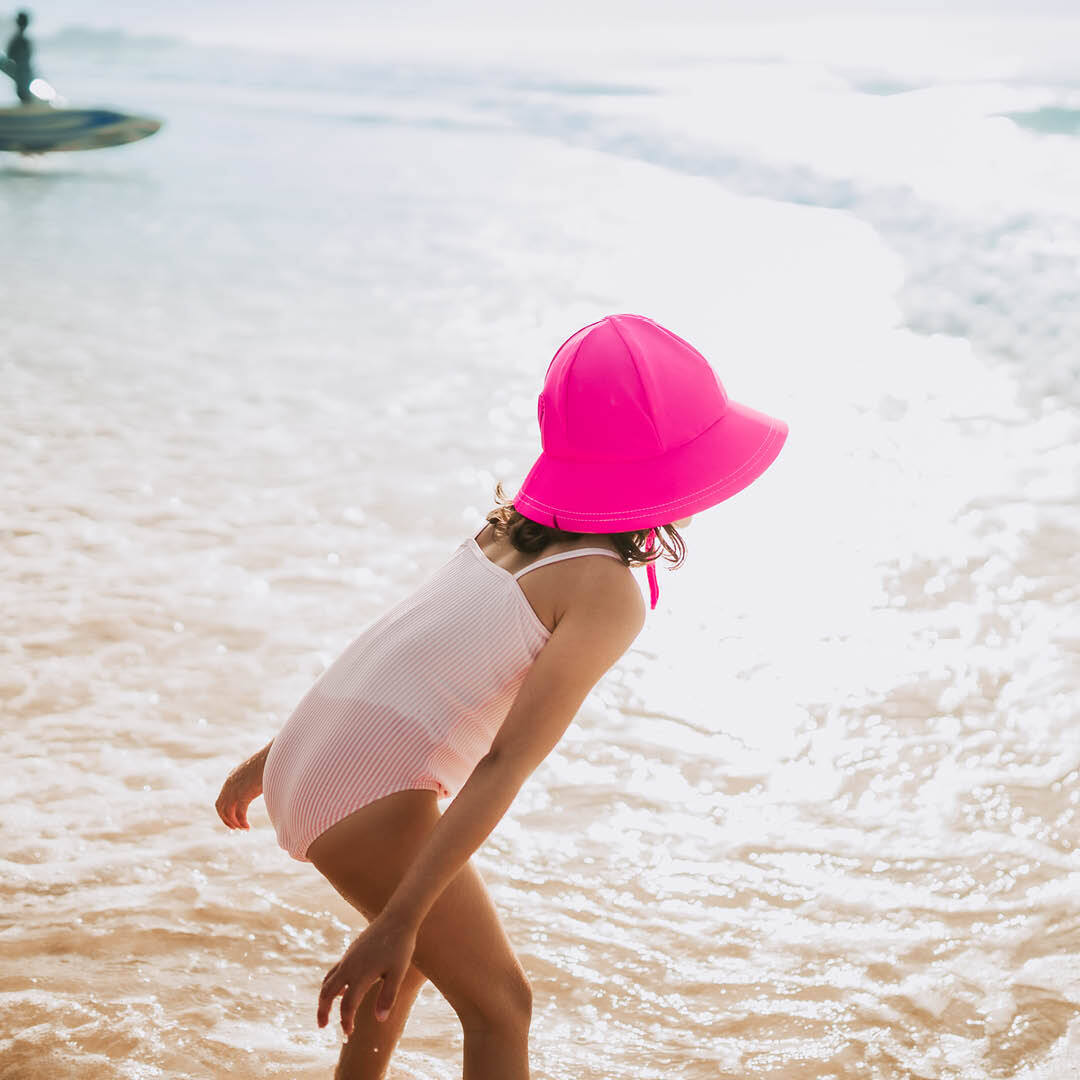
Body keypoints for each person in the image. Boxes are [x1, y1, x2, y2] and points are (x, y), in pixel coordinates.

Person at [215, 312, 789, 1079]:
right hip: (361, 788)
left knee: (415, 965)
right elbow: (506, 764)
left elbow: (394, 651)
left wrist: (273, 757)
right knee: (500, 1006)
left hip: (318, 755)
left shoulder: (510, 530)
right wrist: (399, 916)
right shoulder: (608, 589)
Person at [3, 11, 35, 105]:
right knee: (24, 97)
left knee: (25, 97)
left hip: (25, 74)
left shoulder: (21, 40)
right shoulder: (17, 40)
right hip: (21, 74)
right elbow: (10, 57)